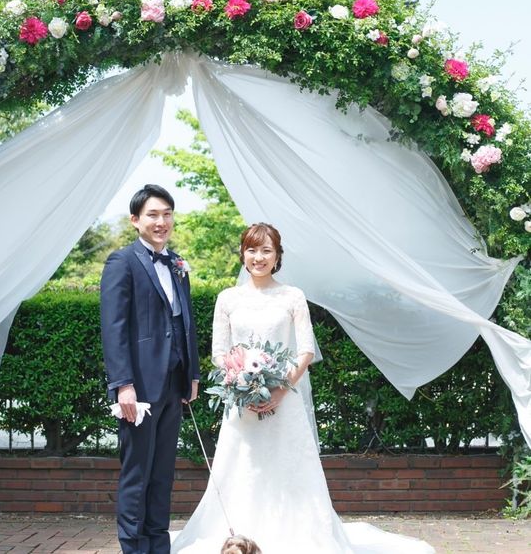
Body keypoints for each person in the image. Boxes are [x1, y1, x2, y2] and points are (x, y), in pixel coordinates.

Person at [171, 223, 434, 554]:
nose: (258, 257)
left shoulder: (292, 296)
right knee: (242, 467)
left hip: (285, 402)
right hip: (242, 407)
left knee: (288, 468)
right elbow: (220, 353)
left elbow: (305, 351)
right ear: (242, 253)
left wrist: (279, 390)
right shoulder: (228, 299)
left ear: (278, 256)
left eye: (266, 250)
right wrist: (241, 384)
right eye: (251, 250)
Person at [100, 184, 200, 554]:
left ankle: (159, 545)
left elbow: (186, 323)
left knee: (162, 473)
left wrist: (192, 373)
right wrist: (123, 385)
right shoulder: (121, 262)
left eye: (167, 214)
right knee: (137, 473)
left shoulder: (177, 264)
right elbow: (113, 329)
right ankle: (134, 548)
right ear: (135, 220)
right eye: (153, 215)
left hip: (174, 383)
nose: (161, 222)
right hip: (139, 387)